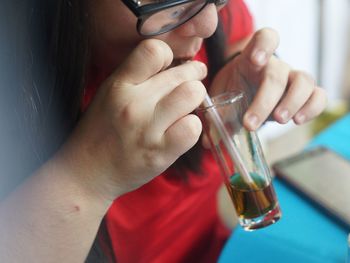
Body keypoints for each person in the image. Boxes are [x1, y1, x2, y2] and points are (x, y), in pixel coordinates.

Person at [0, 0, 327, 262]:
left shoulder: (198, 16)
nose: (208, 25)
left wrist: (253, 72)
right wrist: (86, 179)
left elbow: (236, 40)